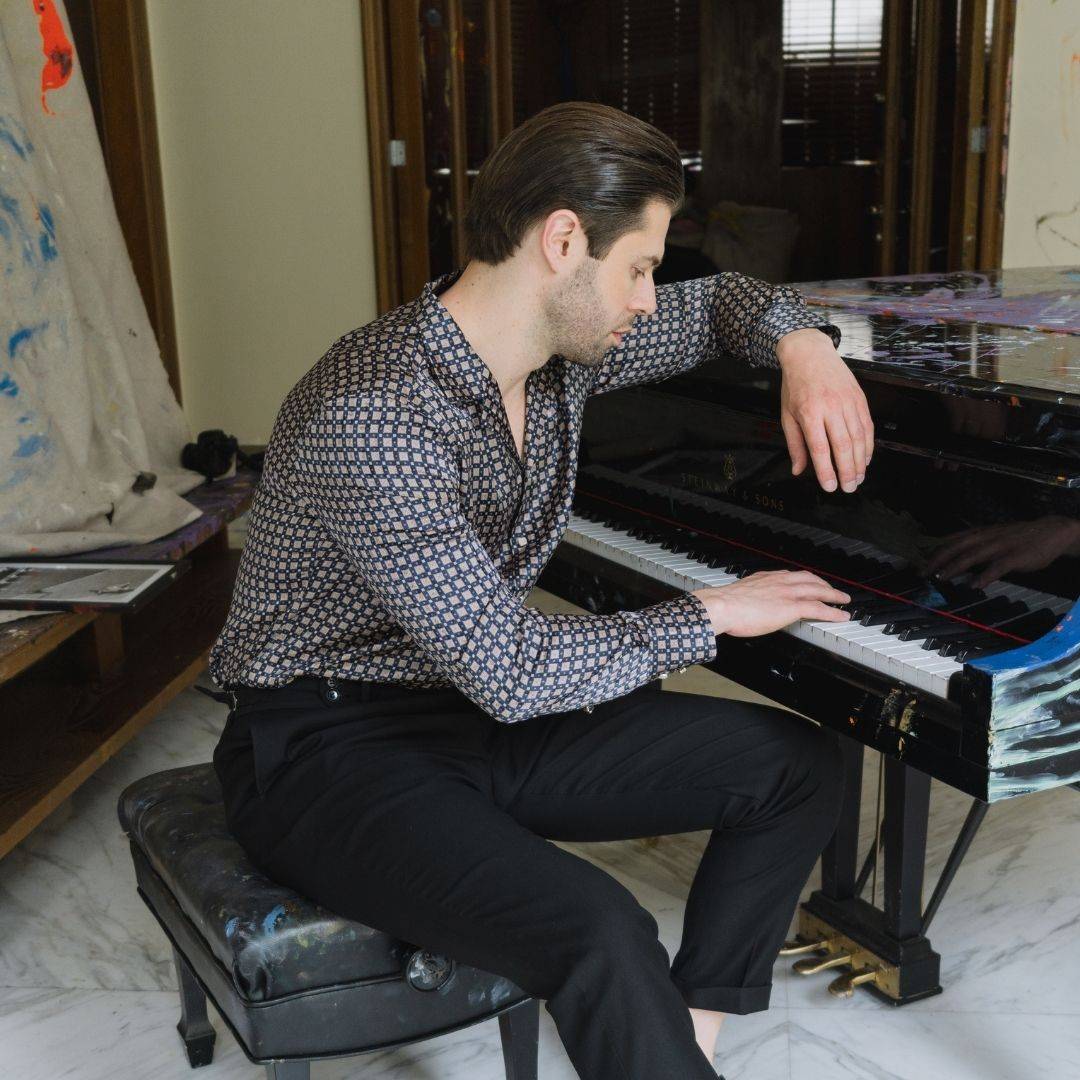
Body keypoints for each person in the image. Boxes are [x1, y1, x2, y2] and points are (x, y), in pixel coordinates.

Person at [208, 101, 874, 1079]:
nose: (652, 296)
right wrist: (711, 615)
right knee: (600, 926)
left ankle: (685, 1045)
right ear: (563, 239)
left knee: (796, 765)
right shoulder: (374, 412)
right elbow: (514, 670)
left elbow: (728, 300)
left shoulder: (564, 356)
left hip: (468, 714)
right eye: (641, 266)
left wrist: (806, 349)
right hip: (325, 748)